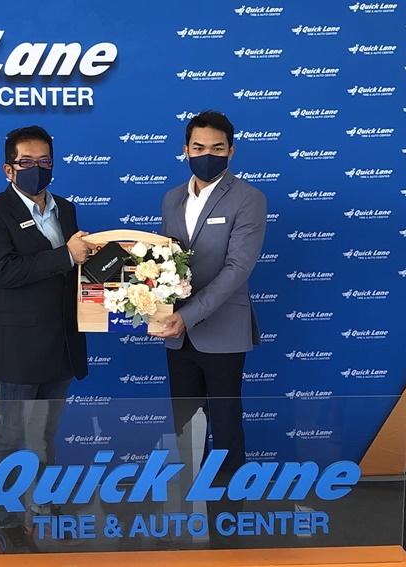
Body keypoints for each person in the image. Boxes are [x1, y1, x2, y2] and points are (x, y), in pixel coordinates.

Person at [0, 125, 92, 554]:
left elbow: (77, 272)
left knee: (43, 436)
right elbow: (2, 272)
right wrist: (66, 255)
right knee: (8, 441)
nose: (36, 168)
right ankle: (7, 523)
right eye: (26, 162)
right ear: (9, 168)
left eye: (45, 161)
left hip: (62, 344)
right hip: (16, 349)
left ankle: (43, 509)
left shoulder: (67, 209)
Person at [150, 110, 267, 547]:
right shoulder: (171, 198)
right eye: (198, 147)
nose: (207, 155)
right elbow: (164, 263)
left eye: (217, 148)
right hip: (176, 333)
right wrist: (153, 305)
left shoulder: (249, 198)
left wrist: (189, 314)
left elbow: (237, 269)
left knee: (226, 426)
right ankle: (187, 510)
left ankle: (228, 522)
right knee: (185, 427)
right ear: (185, 150)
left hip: (221, 331)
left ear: (231, 151)